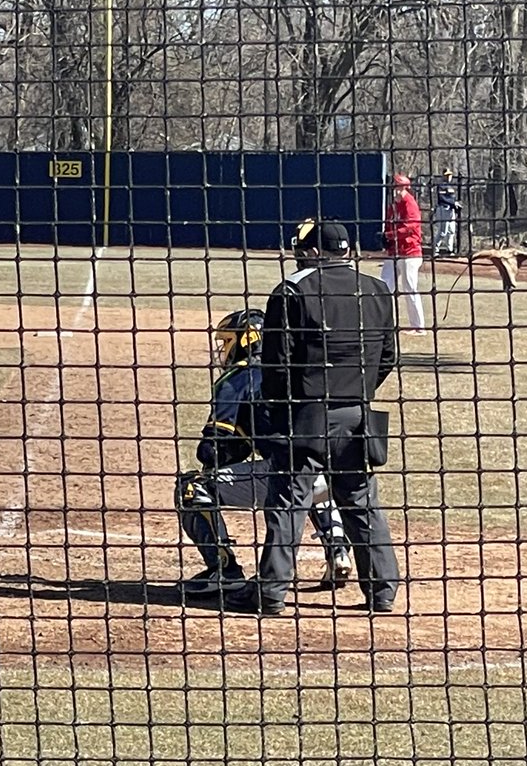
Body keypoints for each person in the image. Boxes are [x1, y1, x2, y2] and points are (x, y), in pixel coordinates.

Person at [223, 220, 401, 616]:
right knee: (361, 502)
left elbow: (276, 365)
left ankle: (270, 594)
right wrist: (357, 390)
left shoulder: (292, 291)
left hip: (305, 415)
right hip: (358, 416)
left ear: (315, 252)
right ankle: (382, 592)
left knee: (288, 503)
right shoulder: (376, 289)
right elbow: (388, 356)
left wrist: (284, 409)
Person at [176, 308, 352, 597]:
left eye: (227, 341)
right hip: (338, 472)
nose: (223, 350)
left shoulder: (238, 376)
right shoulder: (295, 367)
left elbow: (214, 447)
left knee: (192, 487)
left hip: (284, 475)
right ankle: (338, 551)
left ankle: (224, 571)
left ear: (245, 341)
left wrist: (215, 455)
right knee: (308, 474)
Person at [381, 172, 427, 335]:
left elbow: (411, 227)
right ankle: (382, 322)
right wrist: (385, 236)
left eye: (398, 186)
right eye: (394, 186)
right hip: (394, 252)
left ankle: (419, 327)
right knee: (384, 285)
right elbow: (388, 224)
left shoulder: (409, 203)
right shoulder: (393, 205)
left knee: (409, 288)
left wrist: (390, 234)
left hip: (410, 252)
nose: (395, 189)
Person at [432, 168, 461, 257]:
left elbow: (452, 198)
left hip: (450, 210)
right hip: (443, 209)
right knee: (442, 231)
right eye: (447, 175)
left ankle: (450, 250)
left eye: (450, 175)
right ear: (443, 176)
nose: (449, 177)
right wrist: (453, 203)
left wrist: (456, 205)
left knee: (451, 231)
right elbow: (442, 198)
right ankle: (435, 250)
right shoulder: (441, 185)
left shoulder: (451, 186)